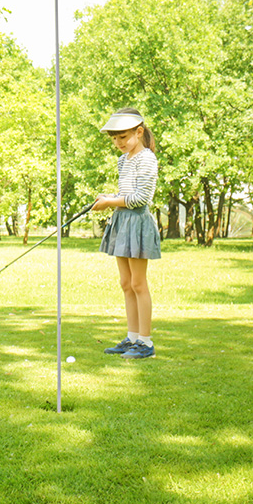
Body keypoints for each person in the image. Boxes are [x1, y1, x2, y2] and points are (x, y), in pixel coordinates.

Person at [93, 108, 161, 359]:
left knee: (138, 283)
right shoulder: (123, 160)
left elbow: (141, 199)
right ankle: (132, 338)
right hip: (122, 222)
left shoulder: (147, 159)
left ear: (139, 132)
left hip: (137, 224)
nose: (118, 143)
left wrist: (111, 202)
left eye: (122, 137)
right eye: (114, 138)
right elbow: (126, 194)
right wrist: (109, 197)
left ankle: (146, 343)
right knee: (125, 283)